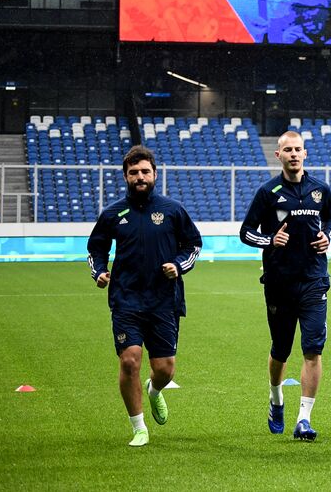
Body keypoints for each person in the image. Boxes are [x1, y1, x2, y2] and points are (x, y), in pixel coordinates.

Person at [86, 145, 202, 447]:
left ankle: (154, 390)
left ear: (154, 174)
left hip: (164, 300)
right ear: (125, 176)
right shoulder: (112, 214)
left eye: (145, 172)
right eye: (134, 172)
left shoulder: (173, 210)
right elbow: (95, 248)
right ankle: (139, 427)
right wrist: (99, 271)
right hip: (126, 299)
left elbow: (193, 246)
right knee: (130, 362)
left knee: (164, 368)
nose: (140, 177)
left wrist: (178, 266)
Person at [239, 130, 331, 442]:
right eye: (288, 150)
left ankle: (304, 419)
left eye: (298, 149)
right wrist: (270, 240)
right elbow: (245, 232)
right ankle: (276, 398)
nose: (294, 154)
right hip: (279, 284)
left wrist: (327, 236)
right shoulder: (268, 193)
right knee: (280, 351)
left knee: (312, 349)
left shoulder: (320, 190)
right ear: (278, 155)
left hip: (314, 281)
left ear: (305, 154)